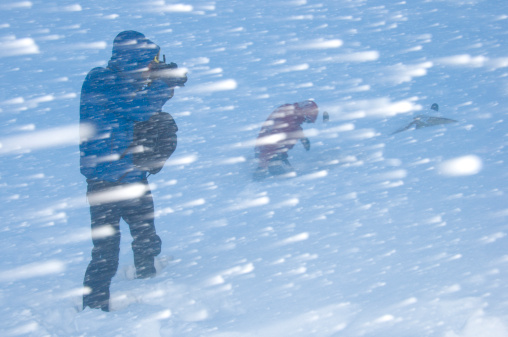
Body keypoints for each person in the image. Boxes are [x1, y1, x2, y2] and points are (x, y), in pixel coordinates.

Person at [79, 30, 186, 312]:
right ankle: (94, 308)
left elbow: (144, 110)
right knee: (105, 250)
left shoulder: (132, 83)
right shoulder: (100, 79)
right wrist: (163, 84)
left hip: (132, 176)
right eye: (150, 59)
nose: (153, 64)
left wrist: (162, 81)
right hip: (104, 182)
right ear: (134, 56)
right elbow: (136, 108)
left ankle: (148, 279)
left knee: (146, 236)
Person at [253, 100, 318, 180]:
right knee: (283, 180)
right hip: (270, 155)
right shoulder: (288, 115)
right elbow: (271, 139)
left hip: (275, 154)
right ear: (304, 112)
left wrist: (303, 138)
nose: (305, 121)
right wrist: (263, 165)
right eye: (307, 119)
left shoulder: (292, 115)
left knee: (288, 177)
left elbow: (294, 128)